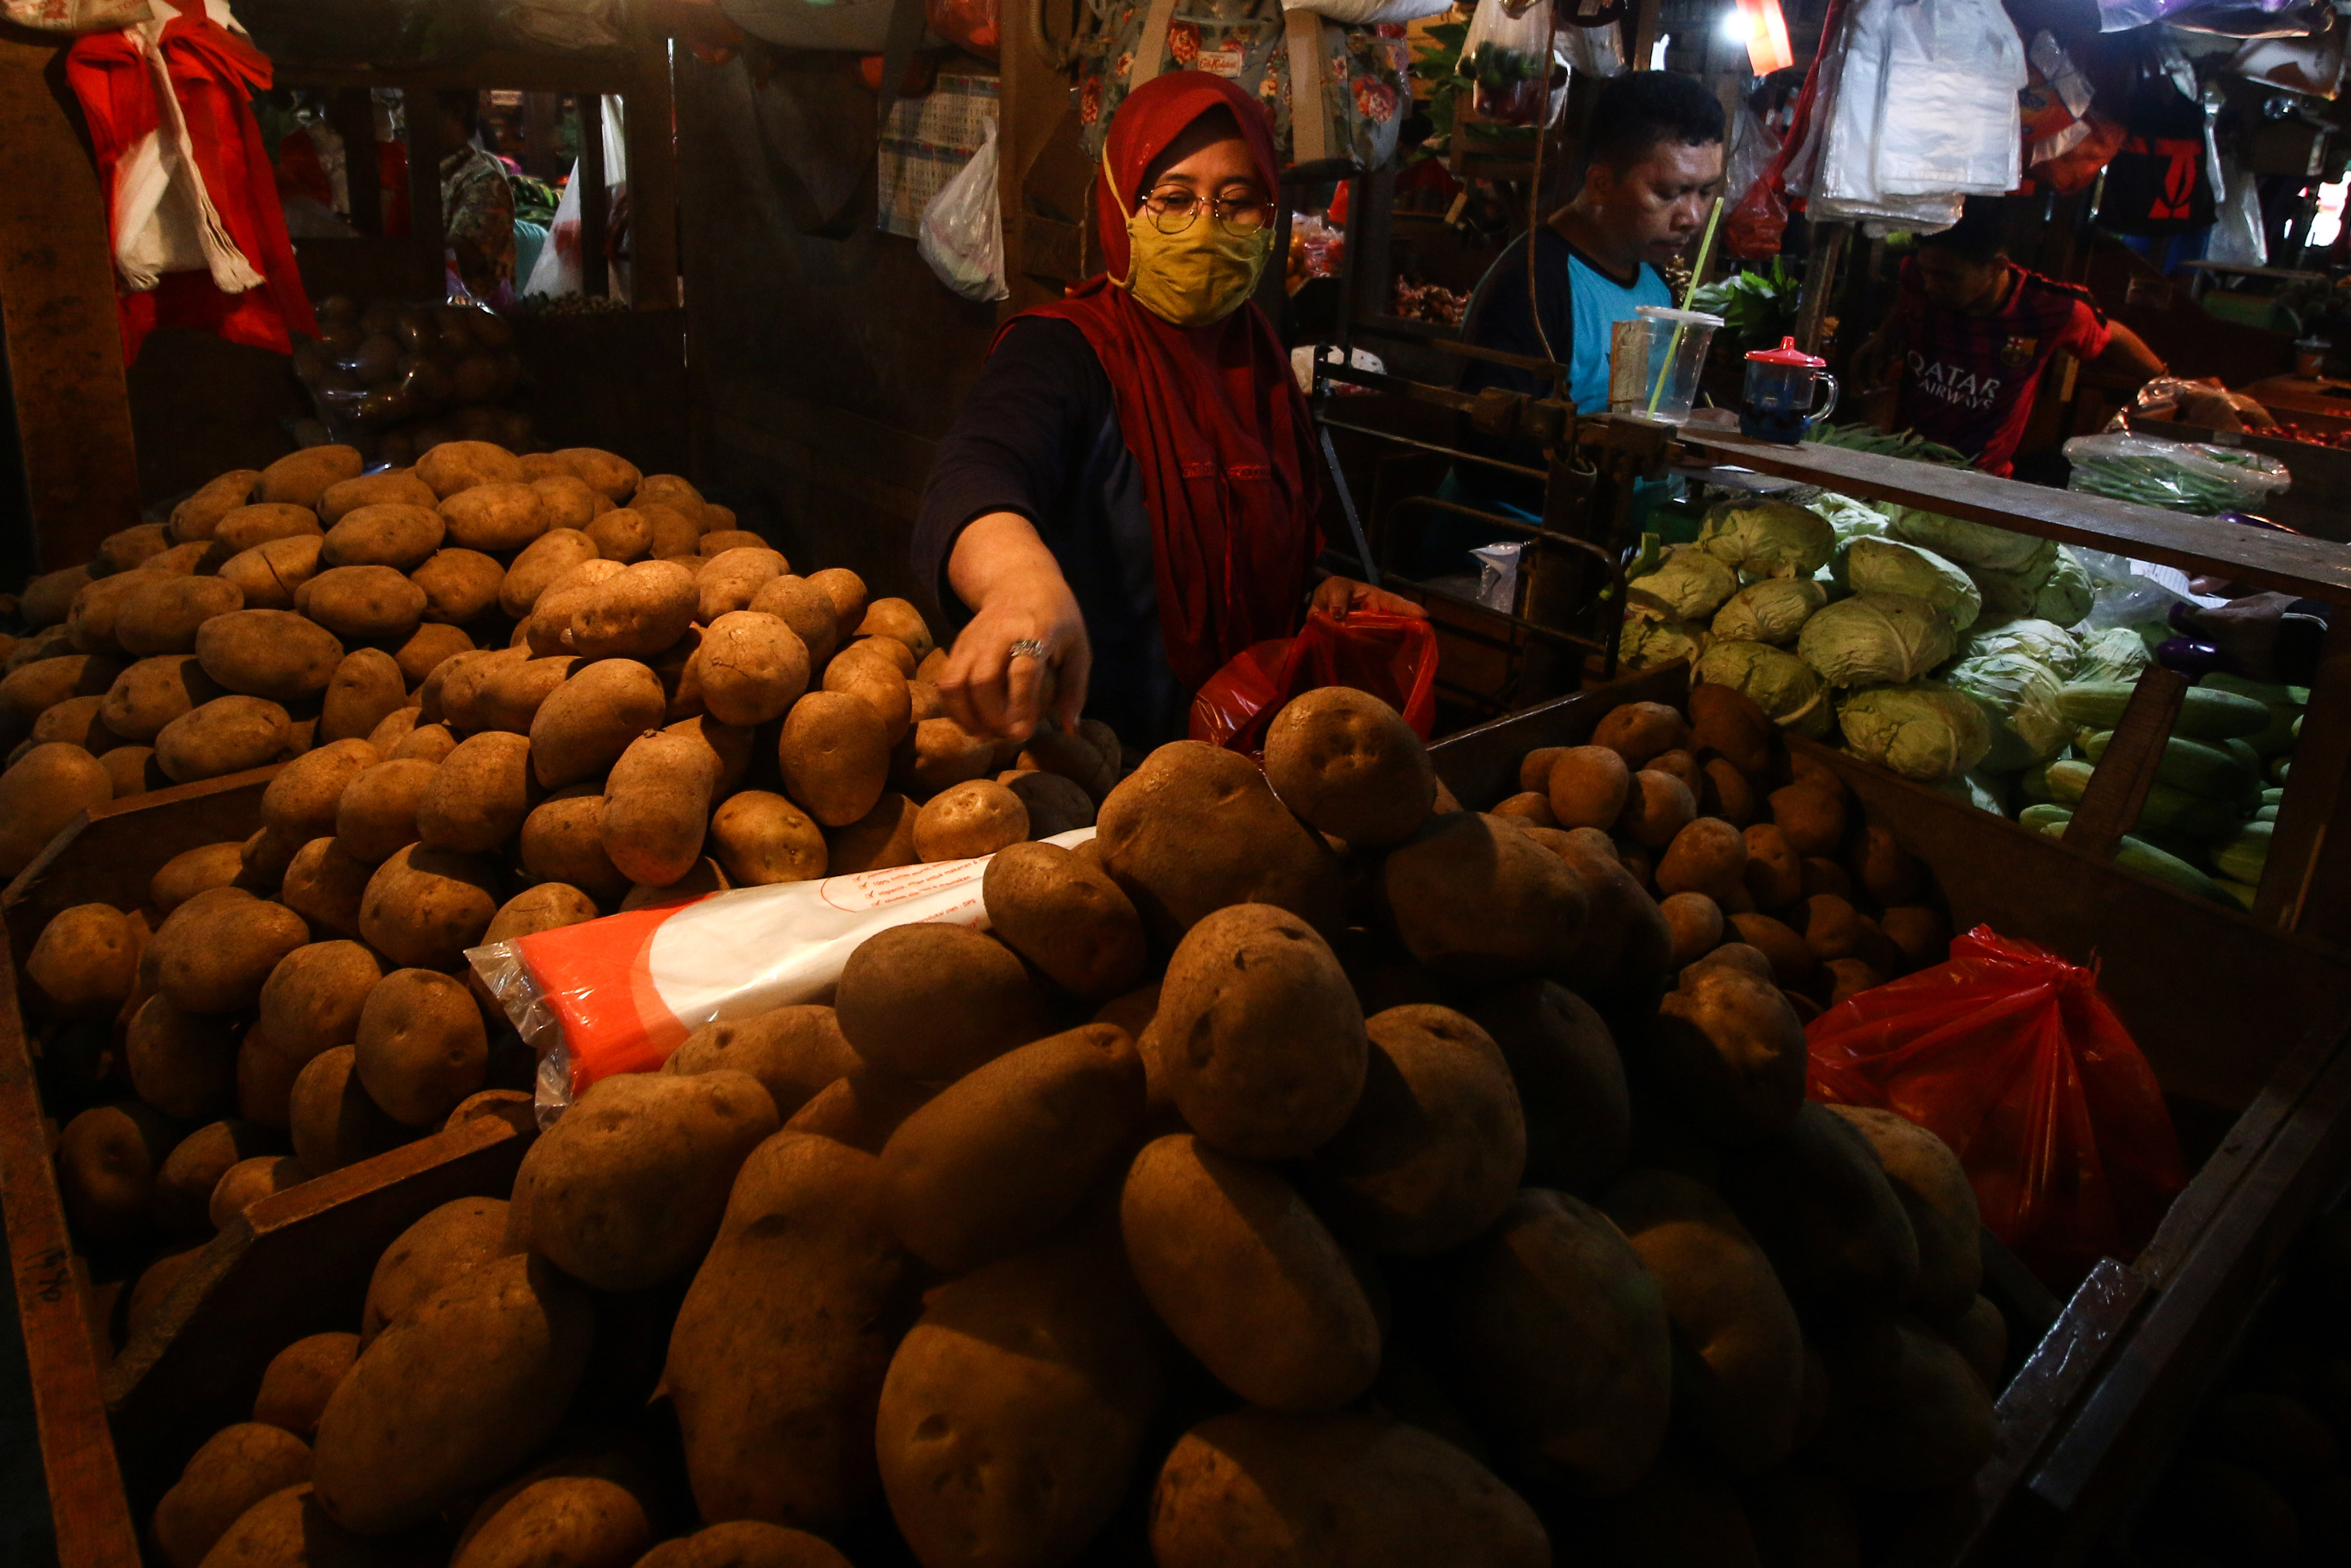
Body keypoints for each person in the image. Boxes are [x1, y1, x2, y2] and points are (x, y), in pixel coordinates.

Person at [911, 72, 1417, 749]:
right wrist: (1019, 584)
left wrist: (1319, 593)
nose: (1206, 225)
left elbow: (1258, 537)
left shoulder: (1262, 362)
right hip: (1090, 772)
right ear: (1121, 205)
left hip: (1248, 764)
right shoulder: (1062, 349)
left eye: (1238, 202)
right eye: (1173, 198)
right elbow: (977, 469)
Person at [1439, 71, 1726, 533]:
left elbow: (1642, 409)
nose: (1691, 217)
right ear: (1601, 184)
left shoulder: (1656, 284)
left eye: (1706, 192)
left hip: (1615, 536)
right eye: (1669, 193)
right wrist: (1633, 448)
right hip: (1511, 544)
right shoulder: (1533, 284)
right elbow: (1485, 455)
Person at [1851, 199, 2166, 478]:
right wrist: (1884, 335)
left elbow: (2112, 336)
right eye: (1927, 272)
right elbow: (1909, 294)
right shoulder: (1918, 277)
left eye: (1948, 276)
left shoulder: (2051, 309)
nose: (1932, 285)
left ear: (1997, 266)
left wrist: (2167, 383)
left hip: (1979, 477)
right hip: (1902, 462)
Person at [435, 89, 516, 304]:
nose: (400, 119)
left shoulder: (484, 183)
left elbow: (460, 256)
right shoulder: (421, 176)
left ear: (457, 112)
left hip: (469, 326)